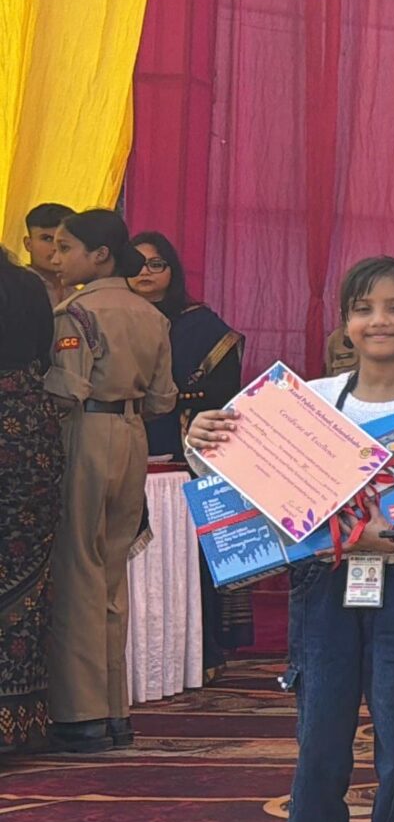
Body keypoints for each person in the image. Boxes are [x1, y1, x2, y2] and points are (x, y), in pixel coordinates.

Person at [189, 256, 394, 822]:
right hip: (322, 583)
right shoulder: (307, 403)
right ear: (344, 324)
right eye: (363, 308)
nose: (379, 321)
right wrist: (201, 441)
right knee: (320, 737)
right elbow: (233, 472)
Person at [43, 210, 175, 754]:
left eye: (65, 248)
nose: (56, 258)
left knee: (79, 569)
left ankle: (82, 713)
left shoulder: (75, 312)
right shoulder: (152, 315)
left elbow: (65, 389)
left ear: (99, 255)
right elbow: (163, 398)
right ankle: (116, 709)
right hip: (133, 434)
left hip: (87, 432)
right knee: (113, 573)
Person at [129, 232, 252, 670]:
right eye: (136, 263)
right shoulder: (110, 316)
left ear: (172, 271)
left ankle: (199, 650)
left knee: (189, 557)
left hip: (187, 451)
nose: (145, 272)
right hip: (123, 442)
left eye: (156, 264)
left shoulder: (201, 326)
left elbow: (224, 395)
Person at [0, 244, 62, 755]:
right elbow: (45, 354)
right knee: (26, 581)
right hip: (30, 431)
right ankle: (19, 722)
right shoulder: (28, 285)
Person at [22, 203, 73, 306]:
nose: (56, 247)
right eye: (47, 239)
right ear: (28, 244)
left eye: (64, 241)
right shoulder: (11, 288)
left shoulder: (76, 294)